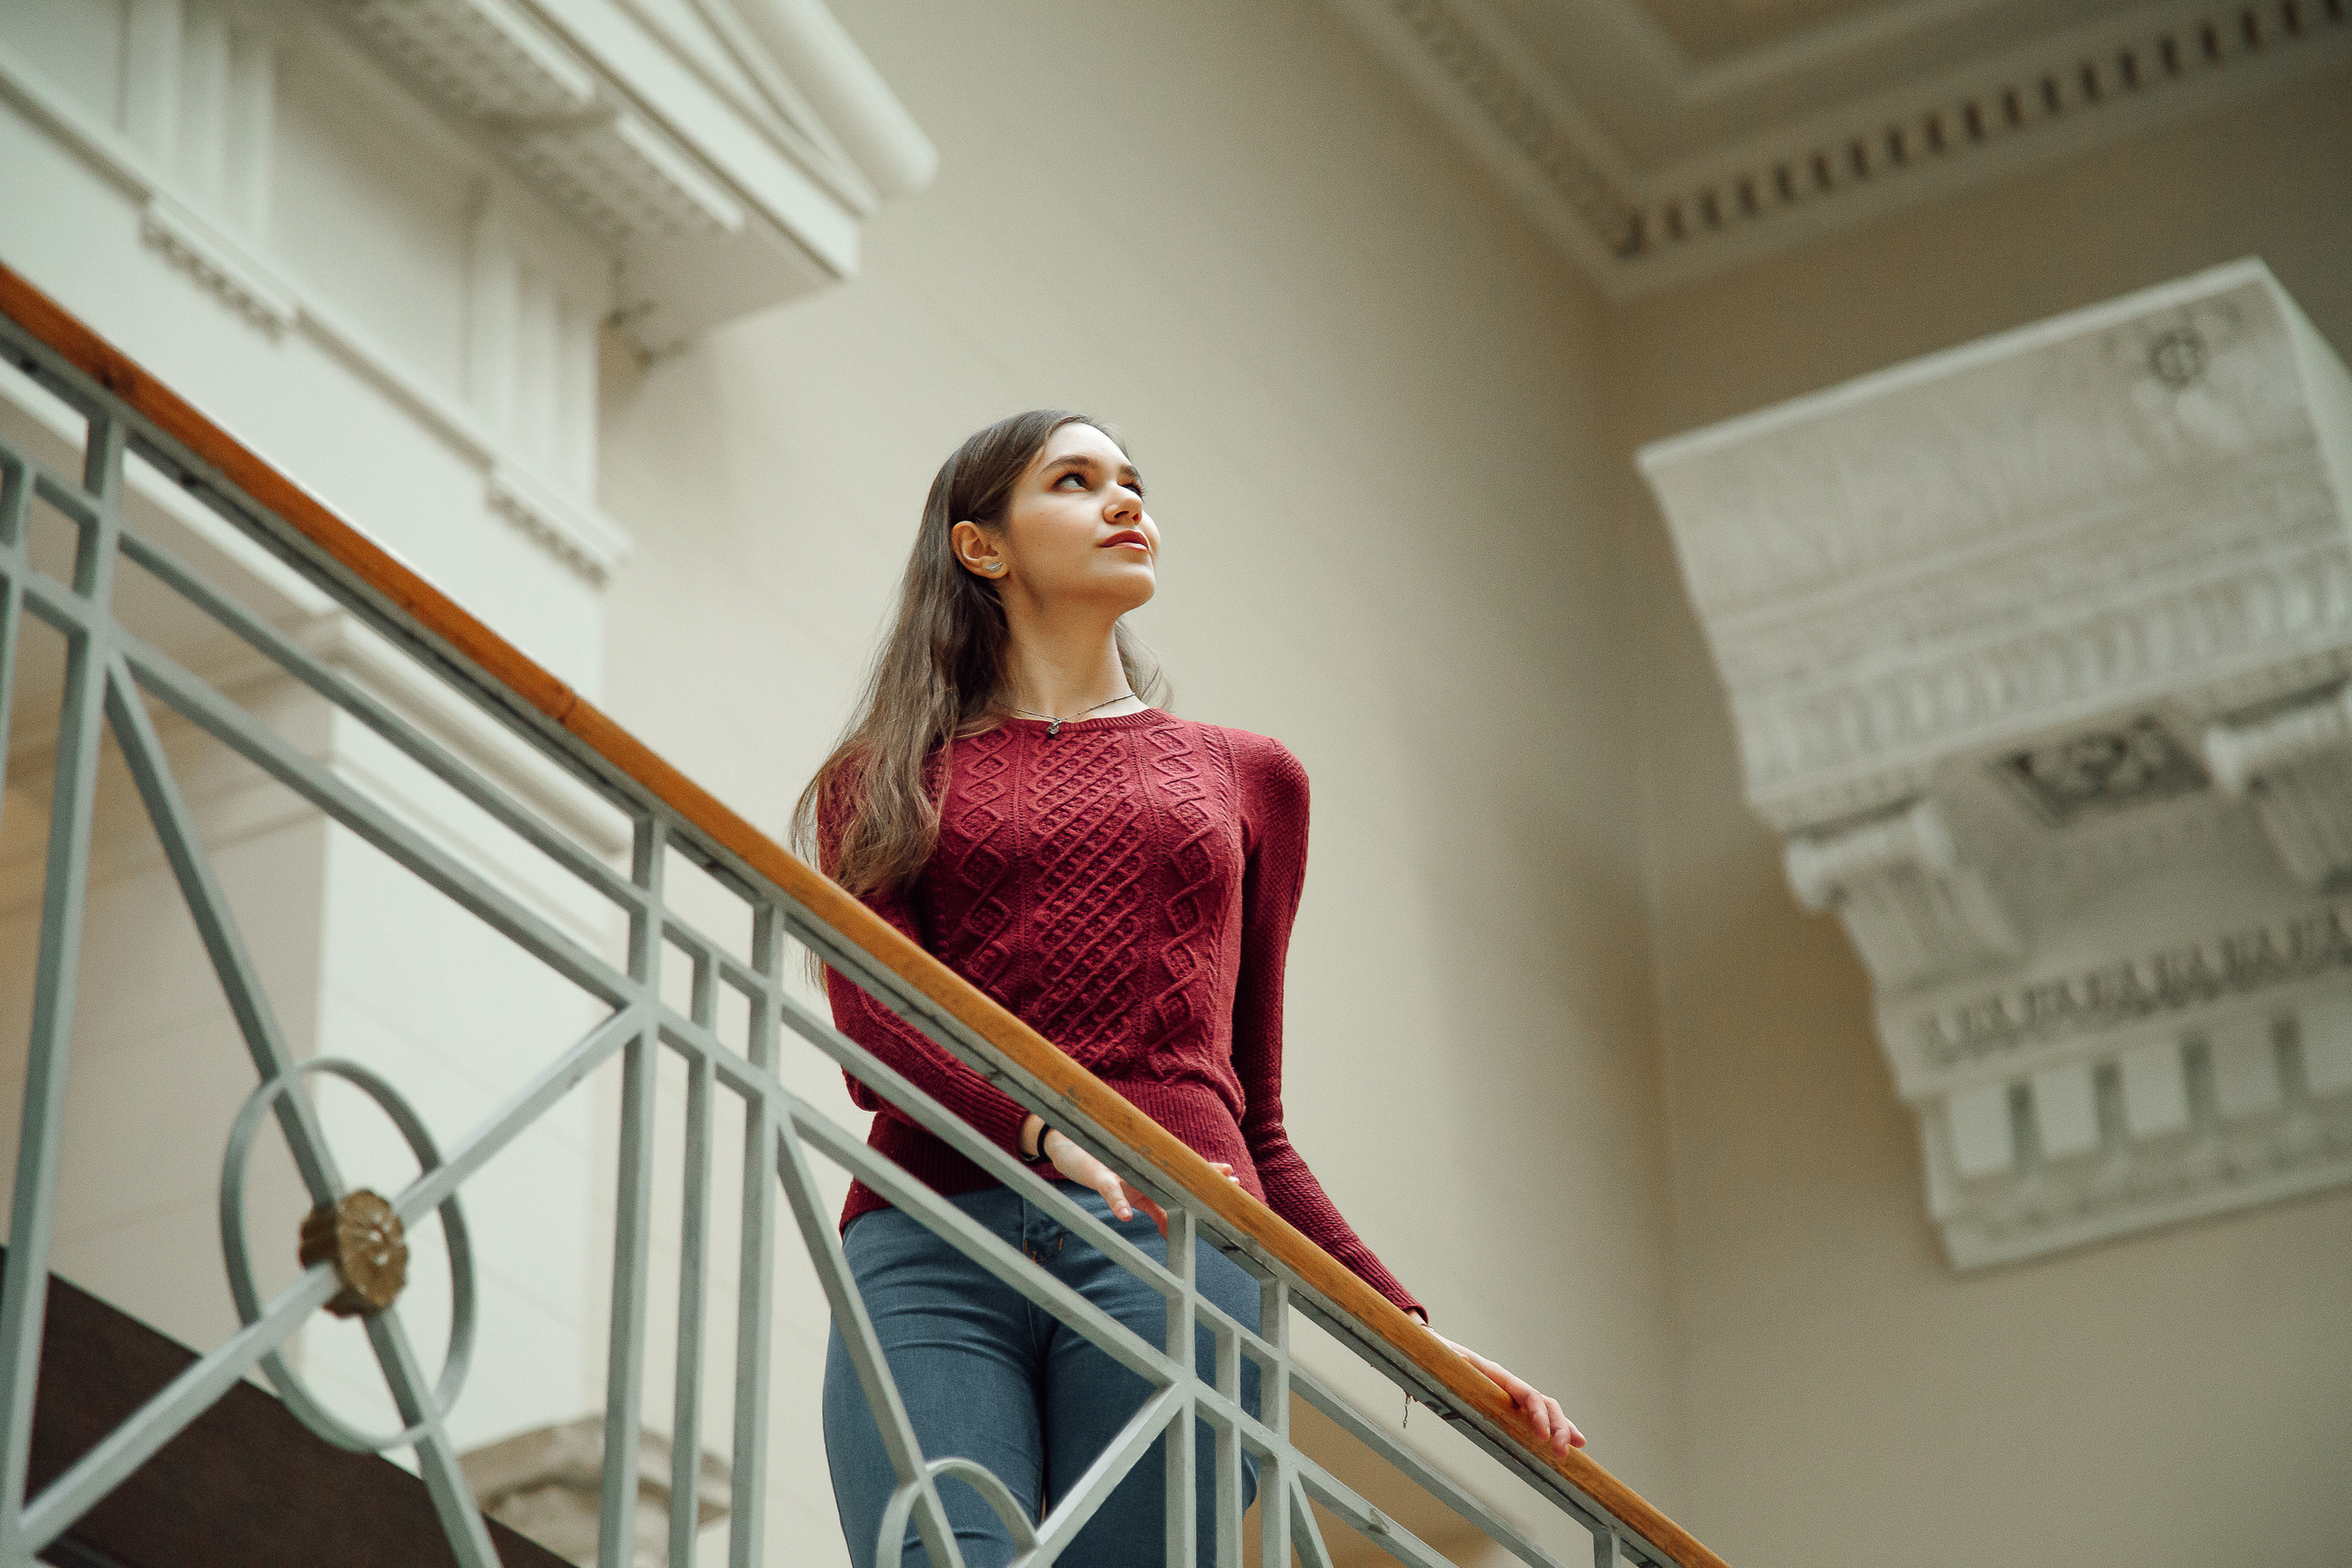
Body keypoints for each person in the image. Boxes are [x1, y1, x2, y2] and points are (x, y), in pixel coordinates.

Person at [797, 411, 1582, 1568]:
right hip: (928, 1240)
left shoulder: (1250, 778)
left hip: (1171, 1248)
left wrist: (1409, 1333)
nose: (1125, 503)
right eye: (1075, 481)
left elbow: (1254, 1114)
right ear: (982, 548)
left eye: (1133, 482)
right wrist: (1045, 1128)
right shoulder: (883, 778)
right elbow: (875, 1025)